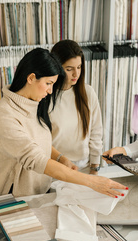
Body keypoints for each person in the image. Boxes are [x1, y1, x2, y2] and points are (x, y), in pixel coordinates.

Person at [0, 48, 126, 198]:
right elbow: (35, 158)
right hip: (15, 198)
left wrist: (61, 159)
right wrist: (92, 181)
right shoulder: (3, 116)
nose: (50, 91)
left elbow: (38, 142)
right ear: (31, 78)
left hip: (40, 192)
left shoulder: (33, 103)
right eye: (48, 83)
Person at [49, 40, 103, 175]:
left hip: (84, 167)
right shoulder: (45, 95)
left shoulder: (88, 93)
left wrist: (95, 168)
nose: (76, 74)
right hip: (54, 167)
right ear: (57, 67)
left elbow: (96, 132)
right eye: (69, 69)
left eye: (79, 67)